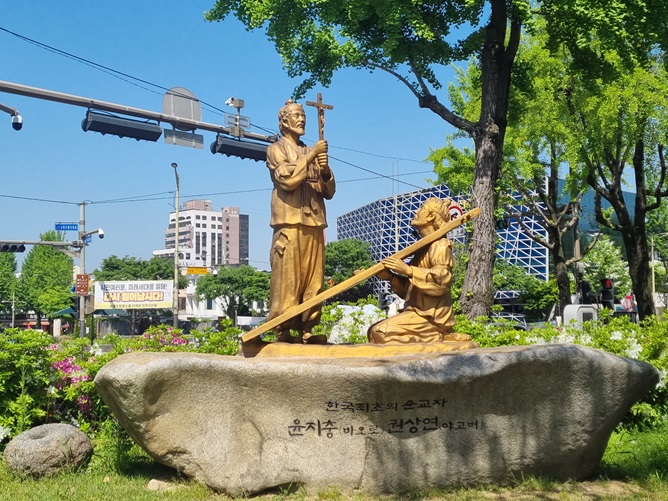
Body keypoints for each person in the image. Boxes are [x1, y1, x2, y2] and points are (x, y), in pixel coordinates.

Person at [265, 99, 336, 344]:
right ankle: (282, 329)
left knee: (314, 279)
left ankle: (308, 327)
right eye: (296, 114)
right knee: (287, 278)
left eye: (303, 115)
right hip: (289, 222)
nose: (302, 119)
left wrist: (325, 172)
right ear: (284, 121)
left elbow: (327, 191)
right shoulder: (276, 149)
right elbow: (286, 179)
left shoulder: (311, 150)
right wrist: (312, 156)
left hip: (314, 221)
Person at [367, 198, 468, 344]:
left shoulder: (440, 245)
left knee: (380, 333)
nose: (416, 211)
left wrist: (408, 270)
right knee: (373, 330)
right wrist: (390, 277)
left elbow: (441, 281)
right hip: (416, 312)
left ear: (431, 216)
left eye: (421, 208)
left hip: (431, 318)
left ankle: (439, 334)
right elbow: (412, 291)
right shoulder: (422, 249)